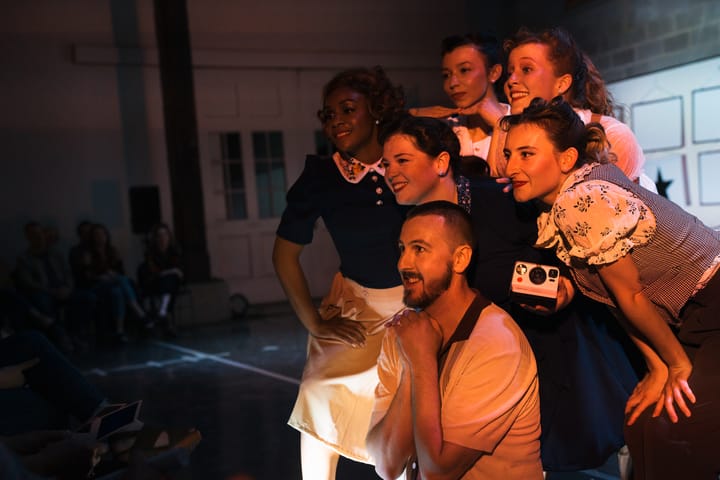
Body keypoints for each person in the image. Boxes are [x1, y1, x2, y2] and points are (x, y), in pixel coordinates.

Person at [379, 114, 640, 472]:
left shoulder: (503, 200)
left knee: (572, 462)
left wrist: (564, 287)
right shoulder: (408, 226)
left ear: (441, 162)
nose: (390, 171)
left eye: (401, 160)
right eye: (385, 164)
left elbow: (570, 254)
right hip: (474, 366)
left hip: (547, 352)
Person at [501, 96, 720, 480]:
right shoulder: (562, 207)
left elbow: (631, 295)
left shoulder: (582, 201)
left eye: (526, 154)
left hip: (714, 296)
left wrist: (676, 365)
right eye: (508, 154)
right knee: (645, 423)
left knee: (676, 428)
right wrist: (655, 367)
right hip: (696, 314)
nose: (511, 166)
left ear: (566, 159)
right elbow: (614, 300)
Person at [271, 66, 406, 479]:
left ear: (377, 111)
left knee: (404, 423)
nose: (337, 121)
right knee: (317, 397)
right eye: (329, 115)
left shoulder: (408, 161)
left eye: (348, 109)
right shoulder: (321, 176)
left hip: (415, 312)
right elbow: (283, 255)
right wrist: (313, 322)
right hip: (356, 308)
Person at [366, 201, 543, 480]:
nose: (403, 263)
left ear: (460, 259)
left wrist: (422, 362)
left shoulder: (497, 343)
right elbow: (386, 464)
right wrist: (413, 366)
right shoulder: (405, 331)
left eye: (419, 249)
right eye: (402, 249)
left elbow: (439, 471)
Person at [497, 26, 655, 191]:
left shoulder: (613, 137)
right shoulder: (509, 138)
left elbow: (623, 211)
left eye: (526, 69)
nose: (512, 80)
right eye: (510, 72)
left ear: (562, 83)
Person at [410, 33, 508, 177]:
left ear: (493, 72)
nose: (453, 83)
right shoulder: (445, 130)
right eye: (446, 75)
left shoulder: (520, 122)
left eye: (464, 70)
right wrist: (415, 114)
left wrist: (501, 126)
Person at [82, 223, 150, 343]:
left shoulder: (112, 251)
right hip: (97, 286)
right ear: (92, 237)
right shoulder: (88, 253)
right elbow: (87, 275)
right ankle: (138, 311)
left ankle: (119, 331)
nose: (100, 237)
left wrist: (112, 275)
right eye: (97, 235)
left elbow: (121, 271)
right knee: (121, 281)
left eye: (102, 234)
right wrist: (102, 276)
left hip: (114, 285)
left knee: (117, 291)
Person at [137, 223, 184, 337]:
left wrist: (170, 272)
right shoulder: (151, 254)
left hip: (170, 284)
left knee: (171, 281)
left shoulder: (174, 251)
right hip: (155, 283)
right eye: (159, 235)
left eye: (165, 235)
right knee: (169, 281)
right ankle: (164, 316)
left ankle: (162, 312)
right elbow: (154, 272)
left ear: (169, 236)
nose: (163, 238)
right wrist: (170, 271)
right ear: (155, 238)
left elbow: (180, 271)